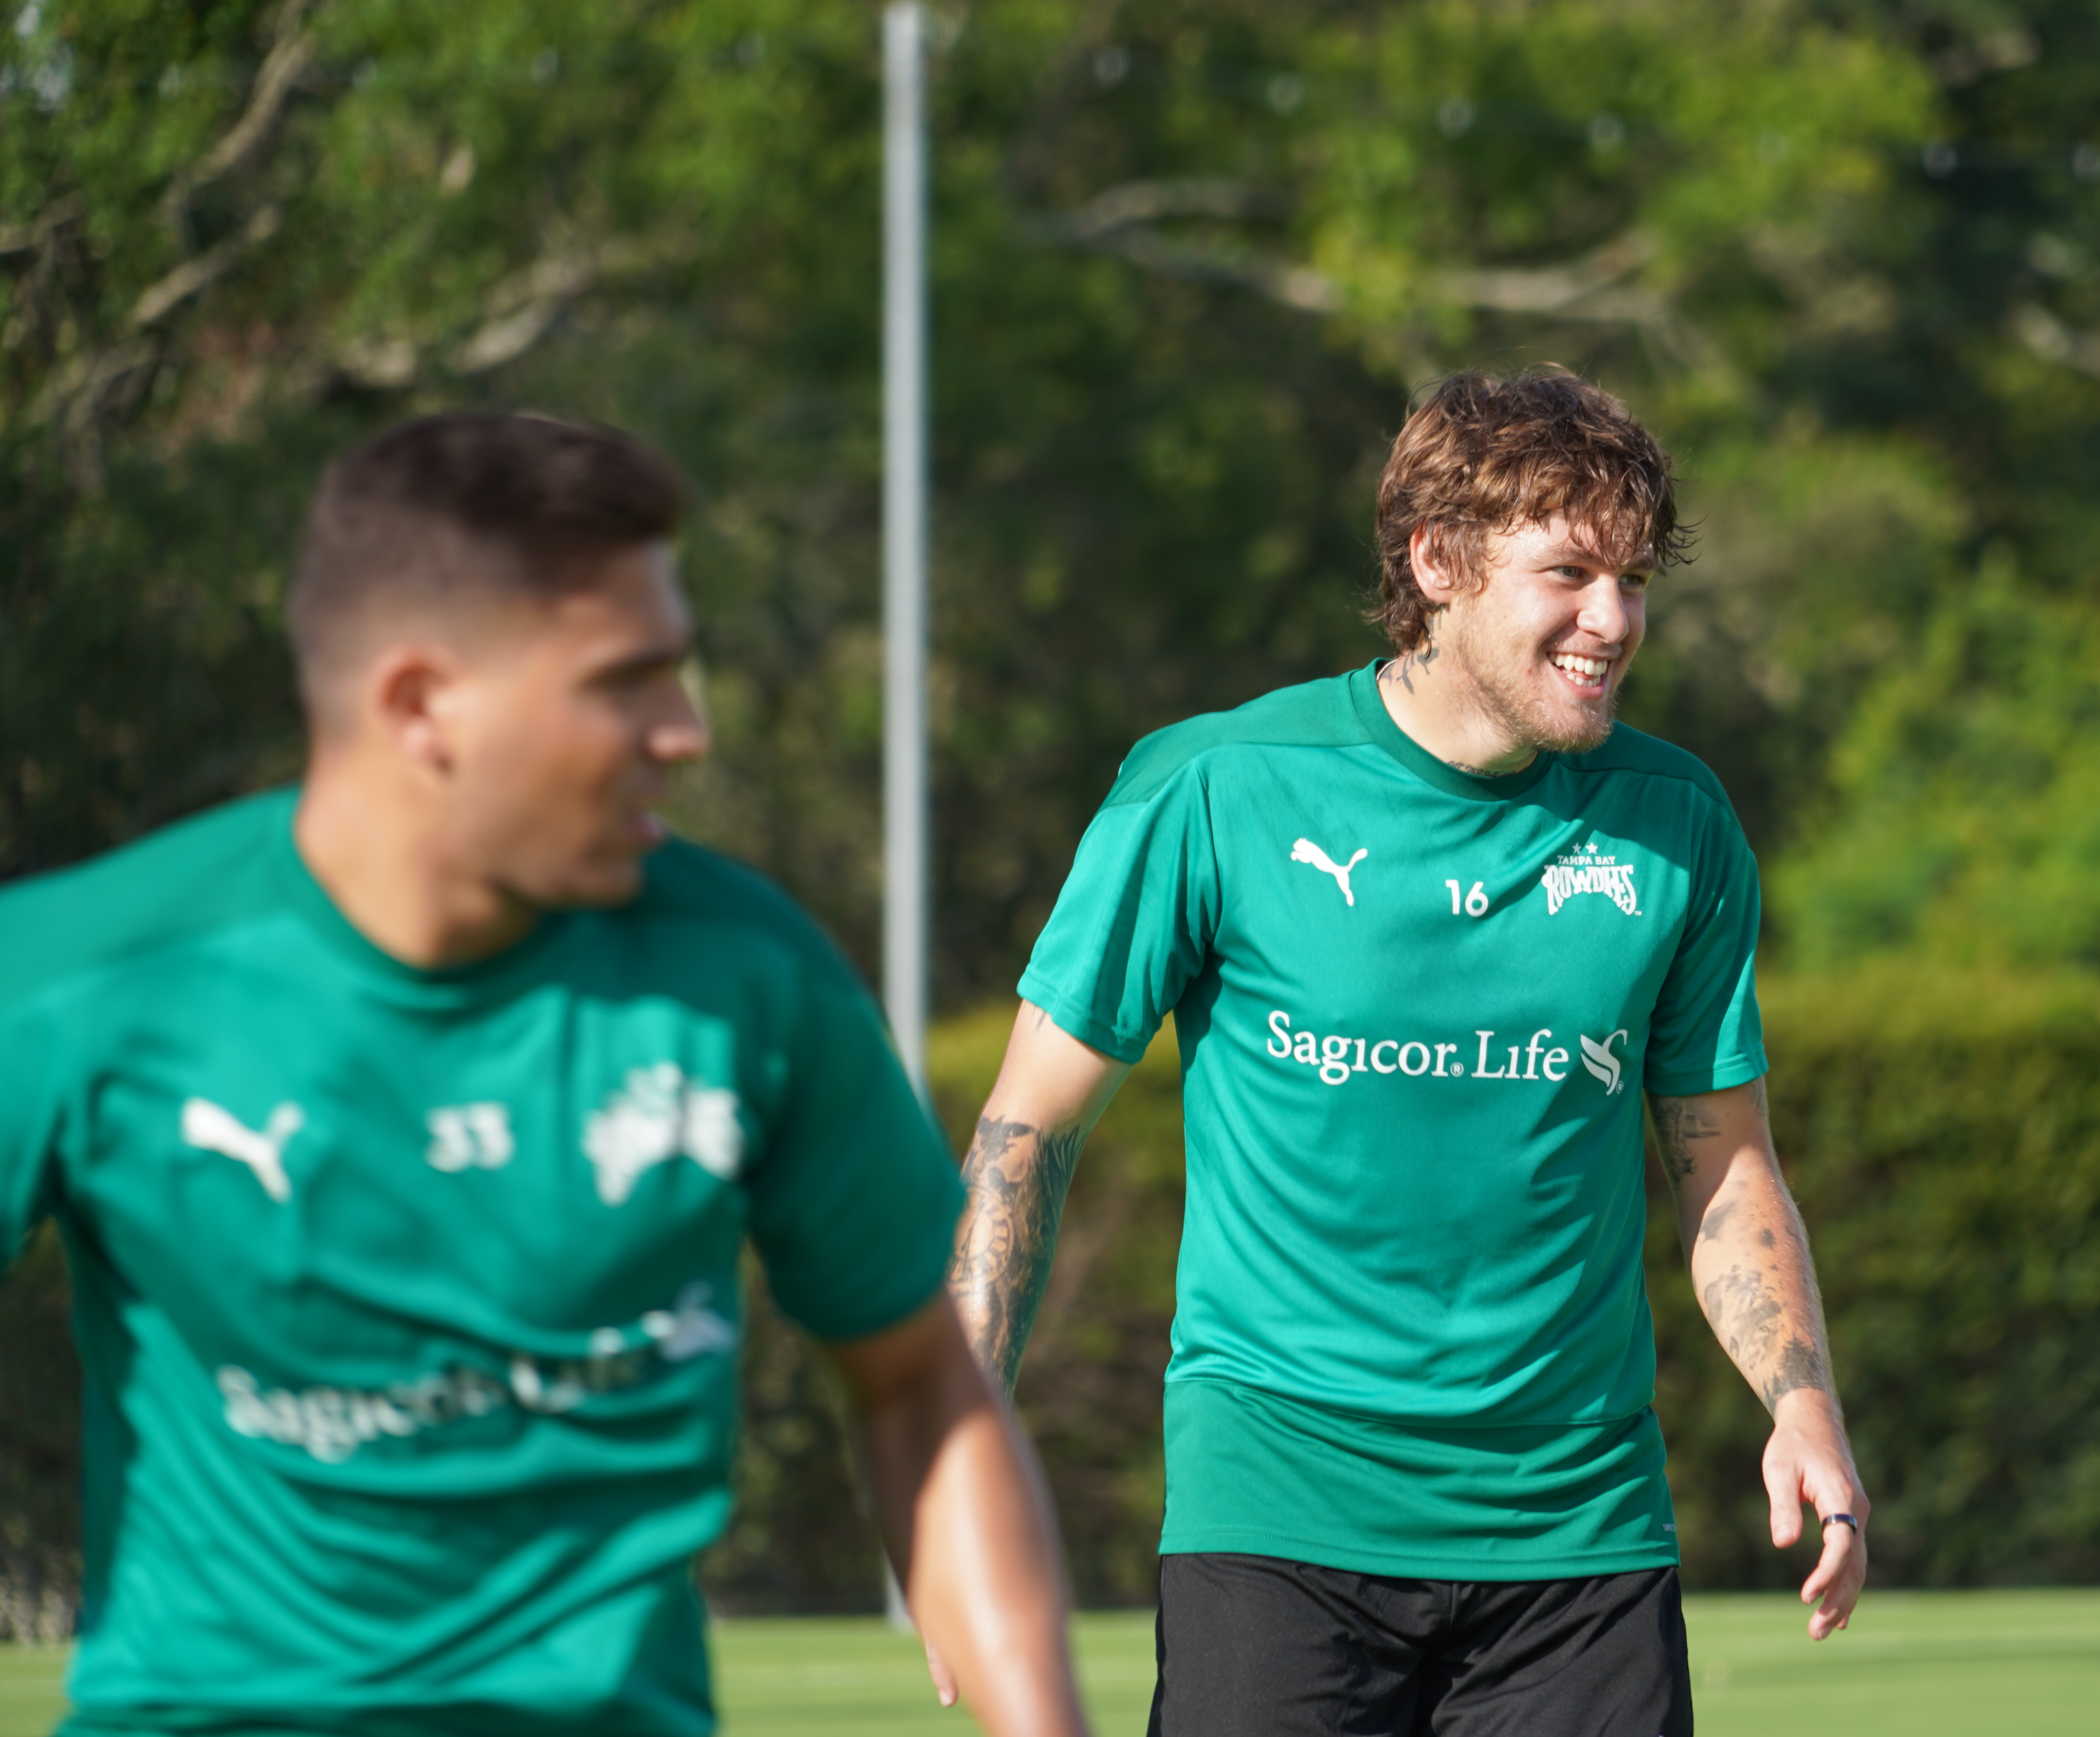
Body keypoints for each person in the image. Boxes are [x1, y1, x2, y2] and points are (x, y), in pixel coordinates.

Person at [0, 413, 1088, 1737]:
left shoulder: (750, 975)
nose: (683, 732)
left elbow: (923, 1384)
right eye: (622, 682)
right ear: (418, 706)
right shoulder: (78, 984)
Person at [948, 369, 1870, 1736]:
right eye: (1567, 573)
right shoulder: (1216, 789)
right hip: (1275, 1519)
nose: (1611, 623)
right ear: (1437, 562)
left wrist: (1804, 1407)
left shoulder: (1677, 822)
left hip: (1580, 1534)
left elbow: (1724, 1164)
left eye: (1633, 581)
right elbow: (1027, 1133)